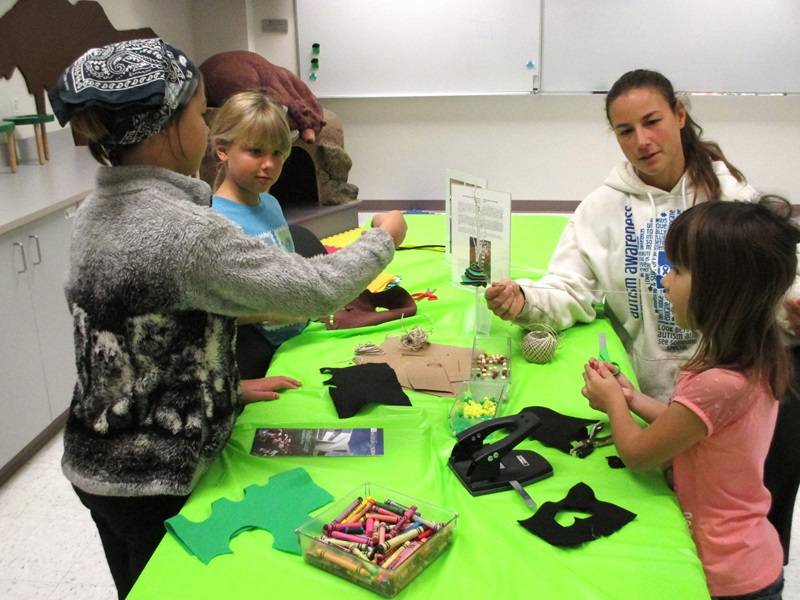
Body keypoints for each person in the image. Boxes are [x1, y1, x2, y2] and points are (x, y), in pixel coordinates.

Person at [47, 38, 406, 599]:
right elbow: (316, 288)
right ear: (170, 127)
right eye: (198, 112)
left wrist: (223, 387)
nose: (205, 121)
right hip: (155, 481)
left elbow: (135, 338)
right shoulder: (189, 232)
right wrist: (384, 239)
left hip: (94, 463)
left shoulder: (92, 211)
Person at [485, 69, 800, 561]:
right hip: (672, 401)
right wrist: (526, 301)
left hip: (744, 394)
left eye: (652, 121)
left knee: (748, 514)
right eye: (625, 131)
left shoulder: (731, 195)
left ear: (680, 114)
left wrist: (792, 307)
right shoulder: (600, 209)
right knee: (694, 526)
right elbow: (571, 288)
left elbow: (774, 274)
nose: (641, 140)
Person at [582, 198, 797, 600]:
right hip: (752, 559)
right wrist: (632, 398)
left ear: (720, 289)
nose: (665, 280)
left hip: (729, 576)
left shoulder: (718, 382)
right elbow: (693, 428)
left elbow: (640, 454)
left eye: (677, 271)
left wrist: (612, 402)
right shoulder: (753, 356)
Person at [208, 90, 311, 386]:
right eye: (255, 151)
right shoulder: (215, 219)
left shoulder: (272, 203)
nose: (269, 164)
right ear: (223, 150)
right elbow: (212, 311)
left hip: (299, 338)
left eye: (277, 153)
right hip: (260, 355)